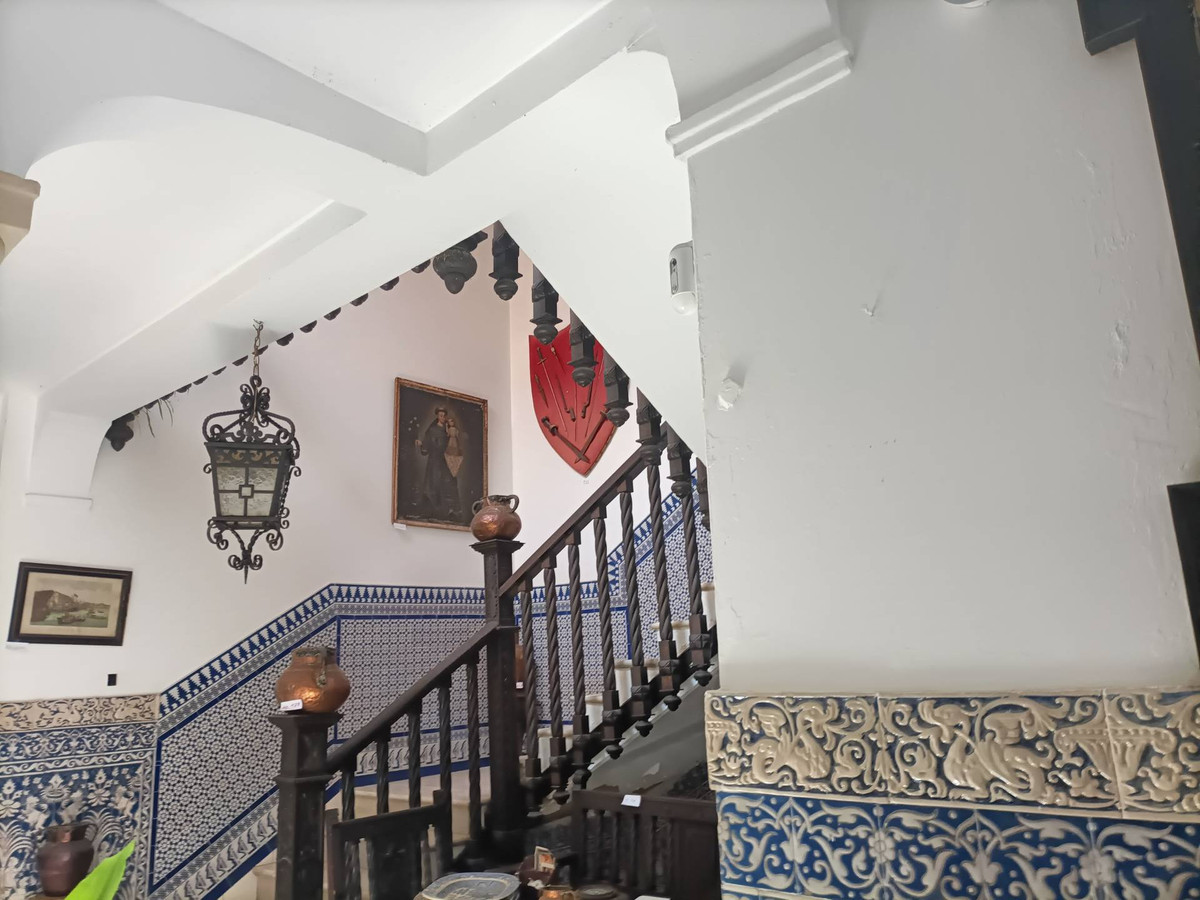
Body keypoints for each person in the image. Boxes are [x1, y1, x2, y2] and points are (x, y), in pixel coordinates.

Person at [415, 407, 460, 518]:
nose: (443, 417)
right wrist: (421, 444)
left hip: (446, 460)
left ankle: (449, 511)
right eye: (440, 415)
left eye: (444, 415)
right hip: (434, 461)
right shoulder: (432, 430)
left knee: (448, 483)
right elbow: (426, 445)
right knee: (433, 483)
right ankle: (433, 511)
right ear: (437, 416)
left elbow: (454, 444)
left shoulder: (448, 430)